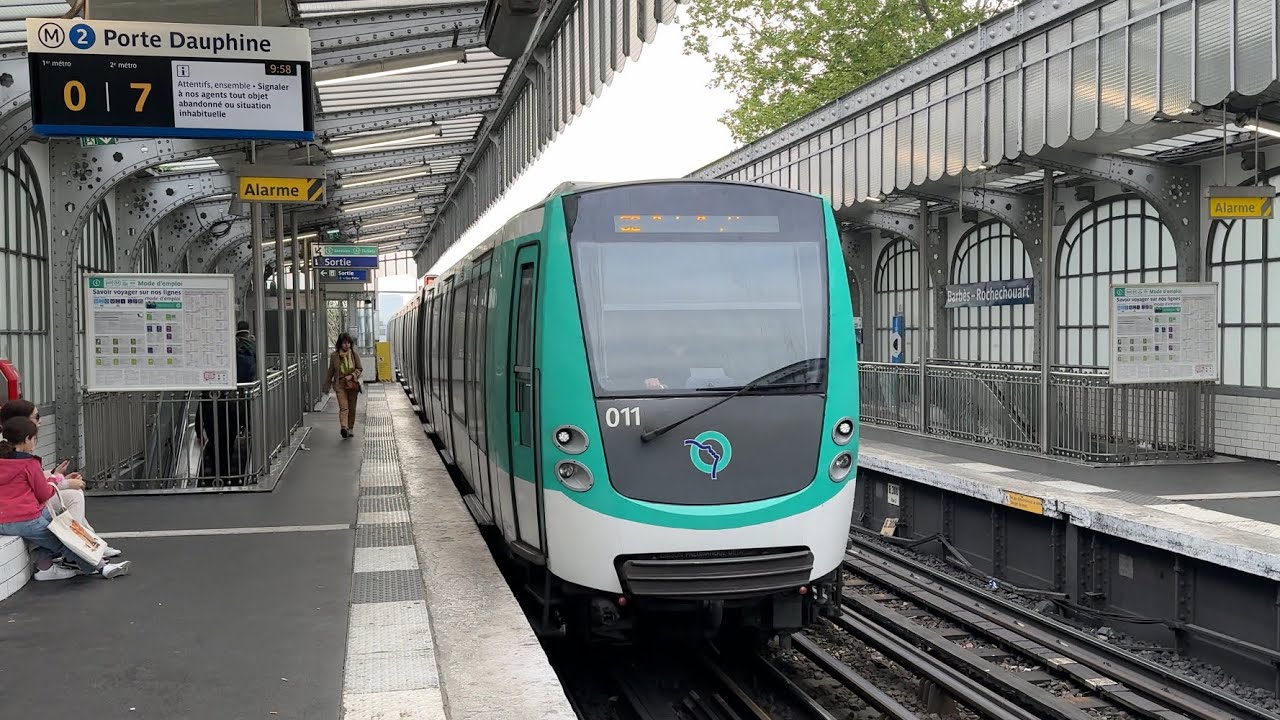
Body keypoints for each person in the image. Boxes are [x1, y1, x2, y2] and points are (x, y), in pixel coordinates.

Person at [0, 417, 131, 581]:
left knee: (55, 526)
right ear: (27, 439)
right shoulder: (29, 464)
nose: (35, 443)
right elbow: (43, 494)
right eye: (34, 439)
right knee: (64, 538)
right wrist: (56, 479)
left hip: (3, 521)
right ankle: (102, 567)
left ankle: (45, 566)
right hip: (25, 519)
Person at [198, 320, 258, 483]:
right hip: (235, 401)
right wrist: (246, 424)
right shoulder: (251, 345)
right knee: (228, 443)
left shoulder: (211, 378)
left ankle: (217, 475)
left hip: (213, 410)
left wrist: (198, 428)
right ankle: (225, 476)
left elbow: (202, 401)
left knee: (215, 443)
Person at [324, 333, 363, 438]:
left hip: (352, 384)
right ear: (340, 344)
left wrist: (352, 375)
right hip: (340, 385)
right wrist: (326, 386)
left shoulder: (354, 354)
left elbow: (359, 369)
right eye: (344, 343)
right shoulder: (334, 356)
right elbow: (330, 372)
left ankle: (350, 428)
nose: (347, 345)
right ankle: (344, 427)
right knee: (343, 407)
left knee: (352, 408)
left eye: (348, 343)